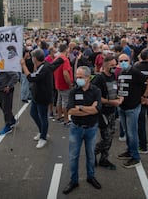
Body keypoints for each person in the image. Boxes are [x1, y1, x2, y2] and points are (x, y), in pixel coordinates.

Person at [63, 66, 102, 194]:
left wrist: (79, 108)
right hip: (76, 128)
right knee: (73, 156)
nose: (77, 79)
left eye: (80, 77)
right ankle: (73, 180)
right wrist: (88, 108)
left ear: (88, 78)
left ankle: (91, 177)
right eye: (77, 76)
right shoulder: (74, 91)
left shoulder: (96, 91)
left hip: (91, 129)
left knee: (91, 155)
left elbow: (97, 110)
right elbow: (70, 110)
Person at [116, 53, 148, 168]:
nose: (123, 62)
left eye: (125, 60)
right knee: (127, 132)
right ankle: (130, 151)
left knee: (132, 133)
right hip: (122, 107)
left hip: (132, 107)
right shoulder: (121, 72)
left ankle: (135, 157)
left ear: (130, 60)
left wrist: (145, 96)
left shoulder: (134, 71)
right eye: (121, 60)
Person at [21, 48, 64, 148]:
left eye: (32, 57)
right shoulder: (45, 65)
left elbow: (31, 78)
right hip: (37, 96)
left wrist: (23, 66)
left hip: (43, 97)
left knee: (43, 117)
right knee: (33, 113)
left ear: (35, 58)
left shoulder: (44, 68)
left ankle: (43, 138)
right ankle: (42, 132)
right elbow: (58, 61)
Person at [92, 55, 123, 169]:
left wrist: (119, 98)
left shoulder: (113, 76)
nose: (115, 67)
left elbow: (115, 90)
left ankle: (104, 159)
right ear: (105, 66)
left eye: (115, 65)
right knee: (106, 137)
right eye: (112, 66)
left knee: (111, 134)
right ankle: (92, 153)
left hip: (112, 111)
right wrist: (111, 101)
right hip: (102, 112)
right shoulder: (99, 79)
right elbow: (95, 96)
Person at [0, 70, 19, 135]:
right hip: (1, 89)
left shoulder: (6, 66)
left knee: (6, 108)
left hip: (6, 91)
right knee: (2, 106)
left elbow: (15, 76)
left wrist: (8, 86)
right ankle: (12, 120)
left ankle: (8, 126)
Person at [54, 43, 74, 126]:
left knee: (59, 100)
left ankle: (59, 116)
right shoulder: (65, 59)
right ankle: (66, 120)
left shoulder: (56, 58)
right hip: (64, 84)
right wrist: (70, 83)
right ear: (66, 50)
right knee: (65, 102)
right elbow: (65, 73)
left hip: (58, 82)